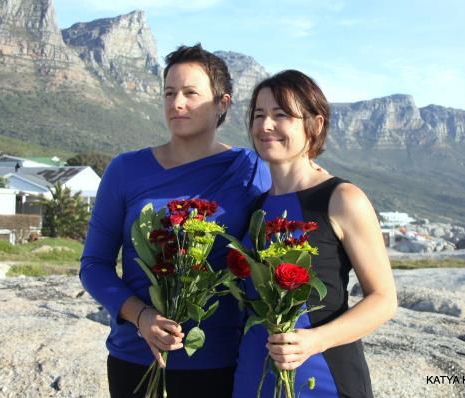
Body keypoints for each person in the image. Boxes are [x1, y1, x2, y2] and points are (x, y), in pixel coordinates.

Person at [80, 44, 271, 397]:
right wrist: (141, 317)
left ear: (222, 104)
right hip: (136, 359)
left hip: (221, 363)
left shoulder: (251, 170)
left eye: (190, 93)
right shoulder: (126, 170)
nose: (176, 103)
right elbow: (94, 265)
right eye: (169, 93)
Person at [233, 70, 398, 398]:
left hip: (323, 377)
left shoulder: (342, 198)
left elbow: (383, 299)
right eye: (258, 115)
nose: (266, 126)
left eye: (281, 115)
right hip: (254, 378)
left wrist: (314, 341)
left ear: (315, 124)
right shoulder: (256, 209)